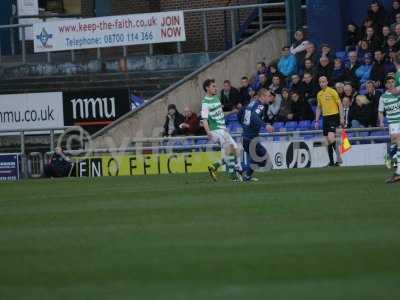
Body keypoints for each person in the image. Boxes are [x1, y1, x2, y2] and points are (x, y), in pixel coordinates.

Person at [201, 79, 242, 182]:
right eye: (213, 86)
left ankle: (214, 166)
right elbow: (204, 119)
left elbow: (220, 114)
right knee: (231, 148)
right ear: (207, 88)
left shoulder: (216, 98)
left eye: (215, 86)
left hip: (222, 129)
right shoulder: (205, 103)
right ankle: (233, 175)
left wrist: (231, 112)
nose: (216, 88)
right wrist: (208, 132)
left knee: (235, 149)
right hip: (215, 130)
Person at [238, 88, 275, 182]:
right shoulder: (260, 106)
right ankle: (241, 170)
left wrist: (244, 126)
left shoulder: (251, 104)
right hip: (251, 138)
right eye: (268, 96)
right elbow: (254, 116)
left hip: (245, 137)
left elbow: (240, 113)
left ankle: (246, 175)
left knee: (258, 159)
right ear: (262, 96)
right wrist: (265, 125)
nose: (270, 98)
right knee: (265, 160)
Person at [315, 76, 344, 167]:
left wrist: (341, 117)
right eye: (320, 82)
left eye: (323, 82)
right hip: (325, 117)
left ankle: (339, 158)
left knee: (331, 138)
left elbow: (340, 104)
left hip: (333, 116)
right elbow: (319, 107)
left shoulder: (332, 91)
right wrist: (316, 120)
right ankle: (332, 162)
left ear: (327, 82)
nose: (322, 83)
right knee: (327, 141)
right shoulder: (319, 94)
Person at [378, 76, 400, 183]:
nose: (391, 84)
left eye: (392, 82)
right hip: (393, 123)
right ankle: (389, 157)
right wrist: (381, 121)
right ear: (386, 84)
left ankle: (398, 170)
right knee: (395, 143)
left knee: (398, 143)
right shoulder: (383, 97)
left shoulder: (398, 93)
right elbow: (381, 111)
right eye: (389, 82)